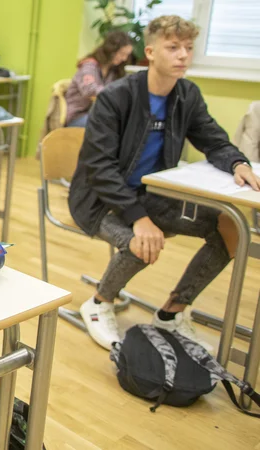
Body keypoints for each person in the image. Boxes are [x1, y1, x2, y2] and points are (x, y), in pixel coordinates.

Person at [68, 15, 260, 352]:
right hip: (99, 200)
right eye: (173, 47)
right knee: (143, 241)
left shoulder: (186, 95)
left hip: (151, 195)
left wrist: (238, 162)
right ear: (151, 51)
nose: (183, 55)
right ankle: (99, 303)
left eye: (188, 47)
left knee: (230, 227)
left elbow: (213, 139)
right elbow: (99, 168)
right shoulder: (116, 97)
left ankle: (172, 312)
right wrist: (139, 218)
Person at [65, 31, 133, 128]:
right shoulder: (89, 65)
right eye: (122, 54)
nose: (124, 58)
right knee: (111, 125)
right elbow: (89, 90)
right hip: (78, 117)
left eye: (127, 55)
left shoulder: (113, 71)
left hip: (97, 114)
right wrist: (116, 93)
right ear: (111, 50)